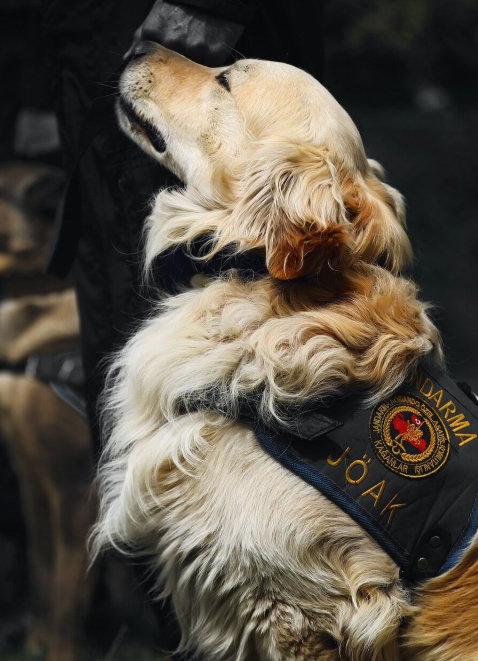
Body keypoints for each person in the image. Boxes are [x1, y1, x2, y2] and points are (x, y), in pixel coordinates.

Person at [43, 0, 325, 451]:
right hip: (89, 47)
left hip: (197, 28)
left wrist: (206, 5)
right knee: (122, 336)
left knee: (236, 397)